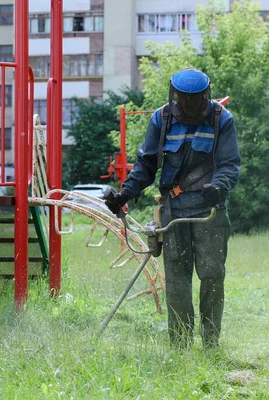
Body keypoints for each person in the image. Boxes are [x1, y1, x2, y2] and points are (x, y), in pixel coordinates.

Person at [105, 68, 240, 348]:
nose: (191, 105)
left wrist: (220, 186)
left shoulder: (220, 119)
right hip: (173, 210)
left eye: (197, 99)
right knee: (177, 280)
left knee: (212, 274)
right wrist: (126, 193)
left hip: (210, 211)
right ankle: (180, 345)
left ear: (206, 95)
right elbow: (146, 164)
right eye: (185, 99)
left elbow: (229, 164)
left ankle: (211, 342)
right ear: (176, 95)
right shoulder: (162, 118)